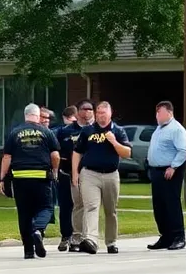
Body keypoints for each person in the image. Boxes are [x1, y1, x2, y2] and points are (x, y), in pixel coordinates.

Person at [0, 103, 60, 260]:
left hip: (20, 179)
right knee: (46, 207)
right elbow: (55, 155)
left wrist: (2, 178)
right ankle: (38, 230)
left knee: (24, 213)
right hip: (41, 177)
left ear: (25, 116)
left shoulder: (14, 133)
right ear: (37, 116)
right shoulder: (46, 132)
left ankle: (28, 251)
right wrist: (54, 171)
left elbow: (7, 157)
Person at [71, 100, 131, 254]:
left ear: (110, 113)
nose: (100, 115)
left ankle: (111, 241)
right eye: (98, 112)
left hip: (111, 174)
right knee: (91, 207)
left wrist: (114, 142)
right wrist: (75, 173)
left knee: (111, 210)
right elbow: (77, 152)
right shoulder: (88, 131)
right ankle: (91, 239)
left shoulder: (118, 131)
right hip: (90, 174)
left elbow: (127, 153)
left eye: (103, 112)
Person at [146, 100, 186, 251]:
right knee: (159, 205)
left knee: (171, 204)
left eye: (159, 112)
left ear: (169, 113)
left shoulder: (176, 129)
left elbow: (183, 150)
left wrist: (173, 166)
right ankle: (166, 236)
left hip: (170, 171)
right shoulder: (159, 129)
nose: (157, 115)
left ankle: (178, 237)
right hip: (156, 171)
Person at [62, 99, 96, 251]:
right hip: (72, 173)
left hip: (93, 173)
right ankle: (75, 238)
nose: (87, 112)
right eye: (84, 109)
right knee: (77, 205)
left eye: (90, 109)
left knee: (92, 206)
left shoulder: (97, 130)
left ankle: (89, 237)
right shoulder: (66, 131)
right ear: (77, 112)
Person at [53, 105, 80, 250]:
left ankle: (79, 235)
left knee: (80, 205)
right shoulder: (62, 132)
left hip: (83, 173)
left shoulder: (86, 130)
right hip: (65, 172)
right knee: (66, 205)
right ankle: (66, 236)